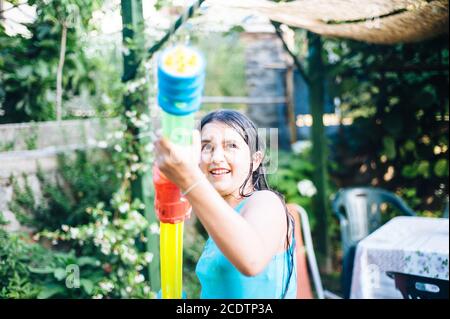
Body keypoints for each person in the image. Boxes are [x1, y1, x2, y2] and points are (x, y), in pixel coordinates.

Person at [154, 109, 297, 299]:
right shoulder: (221, 221)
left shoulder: (266, 202)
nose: (216, 158)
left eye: (231, 145)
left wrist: (190, 180)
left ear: (255, 161)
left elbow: (251, 260)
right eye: (207, 147)